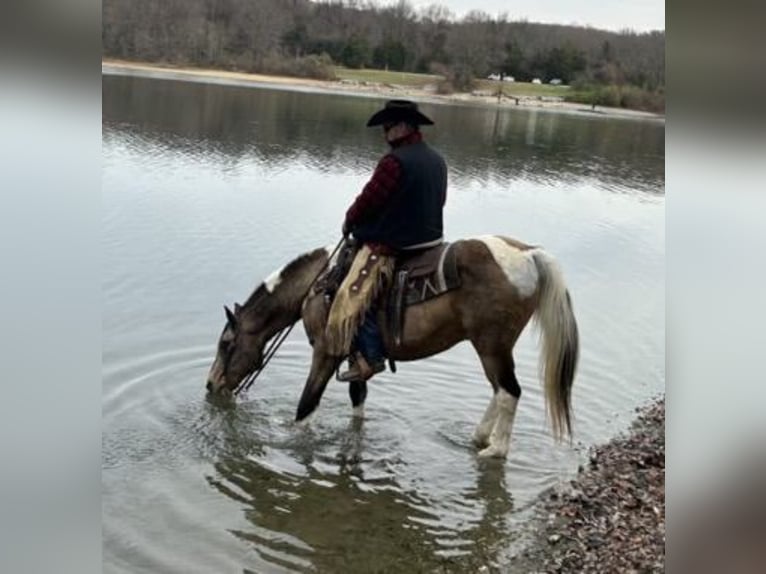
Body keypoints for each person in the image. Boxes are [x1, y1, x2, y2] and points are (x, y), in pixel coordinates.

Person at [334, 99, 448, 382]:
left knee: (356, 292)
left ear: (404, 127)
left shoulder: (393, 162)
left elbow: (369, 200)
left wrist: (350, 219)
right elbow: (441, 200)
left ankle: (371, 355)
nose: (384, 133)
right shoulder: (438, 160)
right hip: (432, 240)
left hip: (397, 243)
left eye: (388, 126)